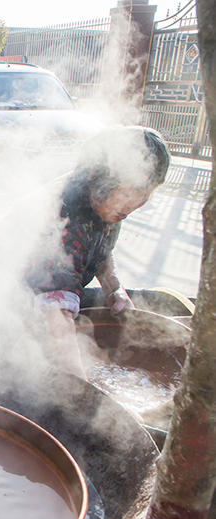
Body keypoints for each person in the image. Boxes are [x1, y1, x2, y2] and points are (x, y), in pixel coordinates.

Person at [25, 126, 170, 378]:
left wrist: (114, 288)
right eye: (129, 192)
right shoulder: (62, 214)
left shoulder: (106, 204)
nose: (135, 204)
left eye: (145, 193)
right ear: (97, 177)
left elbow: (99, 247)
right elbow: (57, 322)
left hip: (44, 302)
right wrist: (84, 389)